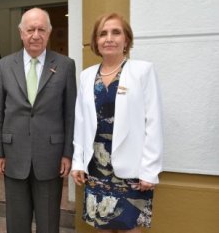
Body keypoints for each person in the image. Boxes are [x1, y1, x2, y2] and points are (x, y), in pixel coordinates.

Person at [70, 13, 163, 233]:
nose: (109, 38)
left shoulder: (142, 71)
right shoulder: (86, 76)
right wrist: (78, 162)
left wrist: (149, 170)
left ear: (127, 40)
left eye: (116, 32)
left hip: (132, 169)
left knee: (130, 228)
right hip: (97, 166)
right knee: (102, 227)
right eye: (103, 33)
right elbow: (80, 122)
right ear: (96, 42)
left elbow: (154, 122)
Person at [0, 7, 77, 233]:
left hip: (51, 155)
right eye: (30, 29)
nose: (35, 35)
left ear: (49, 33)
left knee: (48, 223)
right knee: (17, 223)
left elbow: (70, 113)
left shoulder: (66, 65)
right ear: (21, 33)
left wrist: (68, 153)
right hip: (14, 155)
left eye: (41, 29)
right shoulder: (4, 65)